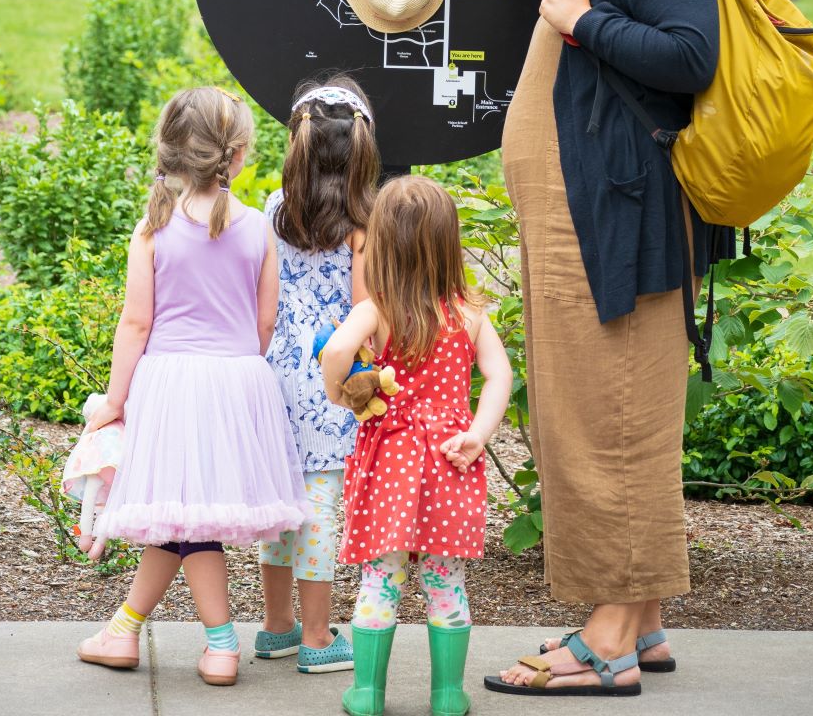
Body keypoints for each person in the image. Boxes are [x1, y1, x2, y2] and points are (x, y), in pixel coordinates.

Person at [342, 0, 733, 697]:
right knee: (598, 413)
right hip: (587, 217)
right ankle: (639, 618)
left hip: (619, 226)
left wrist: (584, 21)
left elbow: (690, 57)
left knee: (611, 421)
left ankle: (609, 644)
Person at [76, 86, 307, 686]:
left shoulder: (153, 229)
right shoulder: (258, 229)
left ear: (174, 152)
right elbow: (264, 323)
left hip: (171, 385)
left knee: (189, 521)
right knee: (183, 519)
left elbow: (136, 323)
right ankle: (125, 630)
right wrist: (233, 372)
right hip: (237, 381)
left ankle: (219, 644)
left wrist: (115, 401)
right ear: (237, 155)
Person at [322, 175, 513, 716]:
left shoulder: (376, 309)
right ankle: (448, 695)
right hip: (450, 459)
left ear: (383, 242)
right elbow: (500, 375)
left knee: (381, 577)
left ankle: (367, 694)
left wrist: (340, 394)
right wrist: (477, 434)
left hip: (391, 462)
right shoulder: (468, 312)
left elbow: (335, 351)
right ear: (448, 244)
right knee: (445, 579)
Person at [255, 75, 380, 674]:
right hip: (330, 377)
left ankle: (275, 626)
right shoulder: (363, 222)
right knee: (319, 506)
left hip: (275, 369)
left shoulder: (273, 210)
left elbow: (264, 297)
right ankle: (316, 635)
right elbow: (363, 309)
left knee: (282, 502)